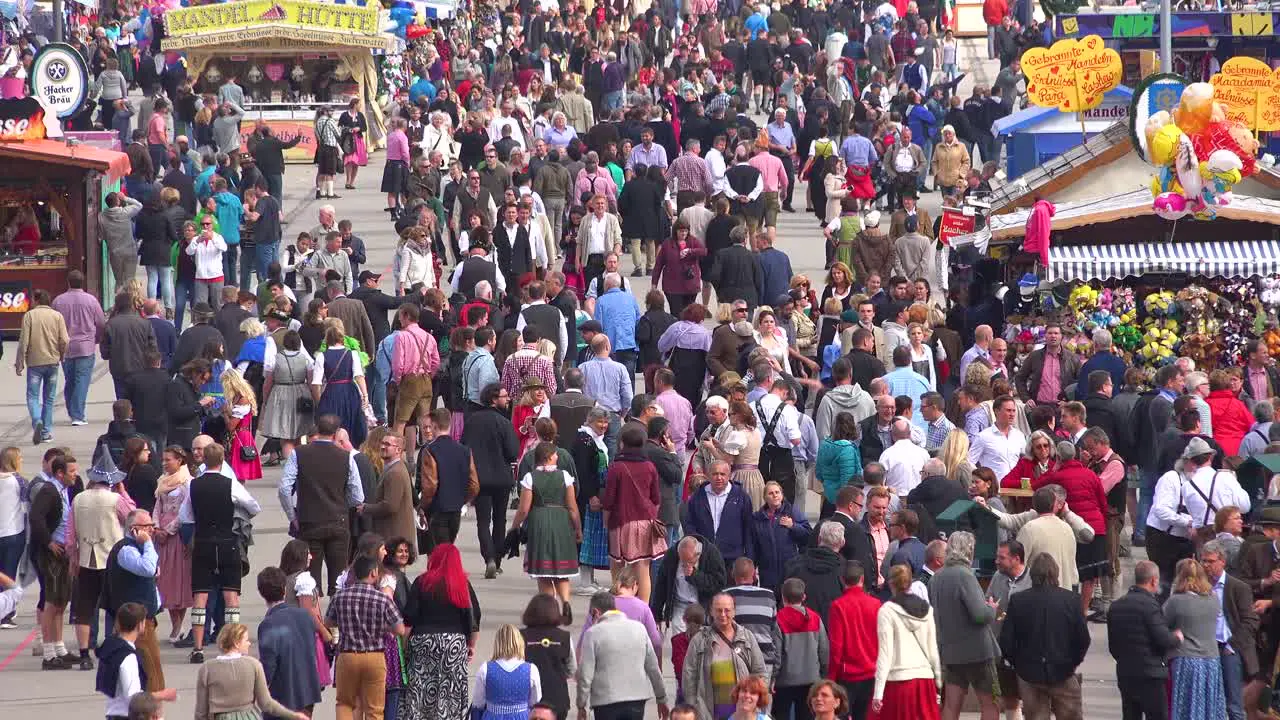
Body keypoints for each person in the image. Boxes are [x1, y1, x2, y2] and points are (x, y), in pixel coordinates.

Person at [278, 414, 364, 597]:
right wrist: (341, 502)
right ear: (336, 434)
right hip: (338, 520)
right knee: (340, 578)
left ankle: (314, 619)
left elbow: (285, 488)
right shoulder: (346, 457)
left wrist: (292, 516)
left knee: (310, 580)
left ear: (318, 430)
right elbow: (358, 496)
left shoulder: (298, 453)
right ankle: (337, 620)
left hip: (309, 521)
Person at [998, 553, 1090, 720]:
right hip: (1063, 671)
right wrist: (1073, 663)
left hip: (1029, 673)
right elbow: (1083, 639)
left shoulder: (1019, 601)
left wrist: (1018, 664)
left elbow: (1006, 641)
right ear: (1055, 573)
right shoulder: (1071, 600)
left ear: (1032, 575)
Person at [325, 553, 409, 720]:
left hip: (347, 655)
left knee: (345, 703)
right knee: (374, 709)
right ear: (373, 573)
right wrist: (382, 628)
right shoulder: (382, 599)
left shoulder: (340, 596)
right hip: (375, 656)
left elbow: (328, 622)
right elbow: (399, 629)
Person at [402, 543, 481, 720]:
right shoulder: (462, 584)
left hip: (424, 641)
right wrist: (471, 645)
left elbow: (408, 620)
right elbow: (474, 618)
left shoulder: (422, 582)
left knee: (420, 689)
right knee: (449, 690)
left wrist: (404, 648)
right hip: (453, 643)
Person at [928, 531, 1000, 720]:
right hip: (977, 652)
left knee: (951, 705)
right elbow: (979, 615)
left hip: (950, 652)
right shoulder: (965, 575)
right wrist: (992, 609)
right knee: (991, 703)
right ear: (969, 550)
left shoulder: (936, 577)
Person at [576, 590, 669, 720]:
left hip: (605, 701)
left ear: (596, 612)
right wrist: (661, 699)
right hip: (636, 700)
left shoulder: (592, 634)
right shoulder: (639, 629)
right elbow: (653, 668)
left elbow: (585, 675)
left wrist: (581, 704)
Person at [1108, 559, 1183, 720]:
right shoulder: (1150, 605)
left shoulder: (1116, 606)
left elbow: (1113, 646)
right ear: (1153, 580)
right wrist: (1176, 637)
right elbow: (1163, 639)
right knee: (1157, 715)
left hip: (1126, 672)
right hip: (1151, 674)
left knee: (1130, 715)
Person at [463, 383, 521, 579]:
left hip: (480, 478)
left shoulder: (472, 421)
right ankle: (496, 560)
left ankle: (488, 558)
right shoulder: (504, 423)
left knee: (483, 521)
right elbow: (513, 453)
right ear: (494, 399)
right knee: (499, 520)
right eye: (504, 396)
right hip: (502, 479)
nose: (508, 399)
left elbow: (465, 448)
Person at [602, 425, 665, 602]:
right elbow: (656, 498)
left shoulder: (617, 467)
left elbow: (609, 499)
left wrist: (606, 521)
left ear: (622, 444)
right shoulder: (650, 466)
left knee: (617, 567)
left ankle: (619, 603)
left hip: (621, 521)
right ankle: (642, 609)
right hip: (645, 522)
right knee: (643, 570)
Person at [194, 622, 308, 720]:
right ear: (236, 643)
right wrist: (293, 715)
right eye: (246, 640)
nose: (249, 643)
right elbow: (266, 704)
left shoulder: (207, 668)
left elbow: (201, 711)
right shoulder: (253, 665)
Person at [683, 593, 767, 720]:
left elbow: (760, 673)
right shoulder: (699, 640)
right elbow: (689, 677)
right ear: (711, 611)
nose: (722, 614)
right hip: (709, 711)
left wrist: (755, 703)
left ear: (734, 611)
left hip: (742, 710)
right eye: (718, 610)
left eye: (727, 610)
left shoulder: (747, 637)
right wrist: (694, 708)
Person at [255, 567, 323, 719]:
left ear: (261, 593)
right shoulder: (305, 616)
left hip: (282, 694)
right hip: (307, 690)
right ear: (285, 589)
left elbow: (268, 664)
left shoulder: (268, 624)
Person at [1164, 558, 1227, 720]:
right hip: (1211, 660)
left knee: (1185, 708)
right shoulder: (1213, 599)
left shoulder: (1176, 601)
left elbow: (1161, 625)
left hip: (1185, 660)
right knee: (1208, 708)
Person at [96, 603, 178, 719]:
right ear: (140, 625)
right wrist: (163, 695)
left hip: (113, 712)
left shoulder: (111, 647)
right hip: (126, 715)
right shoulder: (127, 657)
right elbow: (134, 697)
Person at [17, 288, 69, 443]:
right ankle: (46, 432)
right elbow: (65, 340)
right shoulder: (57, 316)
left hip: (35, 363)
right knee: (49, 398)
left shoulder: (30, 316)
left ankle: (37, 420)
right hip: (52, 362)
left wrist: (20, 362)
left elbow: (23, 341)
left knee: (32, 396)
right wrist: (62, 355)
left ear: (36, 300)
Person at [685, 460, 754, 567]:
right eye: (715, 474)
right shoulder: (697, 496)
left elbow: (748, 528)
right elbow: (690, 524)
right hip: (705, 556)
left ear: (729, 476)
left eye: (722, 474)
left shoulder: (741, 496)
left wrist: (749, 559)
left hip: (732, 558)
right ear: (708, 475)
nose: (719, 478)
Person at [750, 481, 812, 592]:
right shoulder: (757, 518)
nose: (775, 495)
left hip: (789, 570)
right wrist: (752, 568)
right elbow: (753, 546)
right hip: (767, 572)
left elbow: (808, 534)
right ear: (765, 497)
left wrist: (793, 525)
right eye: (771, 493)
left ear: (782, 495)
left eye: (777, 492)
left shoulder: (792, 511)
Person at [471, 624, 542, 720]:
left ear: (497, 644)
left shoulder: (485, 669)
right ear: (519, 643)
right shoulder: (531, 670)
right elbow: (536, 701)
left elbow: (478, 703)